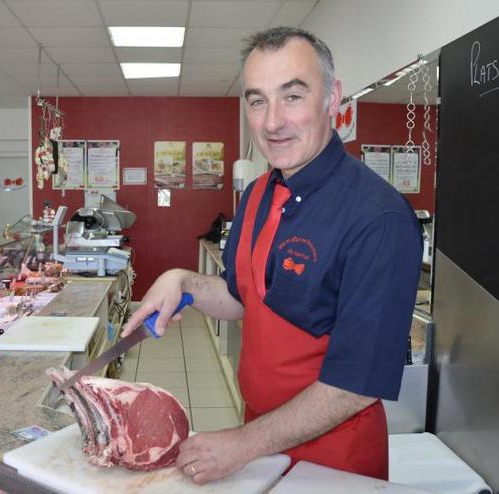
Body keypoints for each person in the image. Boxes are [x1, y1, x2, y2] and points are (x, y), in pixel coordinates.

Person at [122, 26, 422, 484]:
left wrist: (243, 444)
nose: (272, 121)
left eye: (293, 96)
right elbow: (242, 297)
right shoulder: (262, 192)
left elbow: (357, 385)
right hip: (260, 432)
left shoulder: (378, 218)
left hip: (335, 456)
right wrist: (183, 280)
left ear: (332, 98)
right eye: (258, 100)